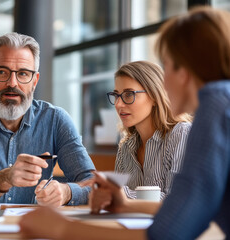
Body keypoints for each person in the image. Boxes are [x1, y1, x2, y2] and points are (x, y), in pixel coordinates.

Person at [19, 6, 229, 239]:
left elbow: (171, 231)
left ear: (185, 70)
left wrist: (62, 228)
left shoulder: (217, 107)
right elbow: (187, 211)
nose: (164, 82)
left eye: (166, 65)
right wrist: (126, 205)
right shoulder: (221, 104)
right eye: (116, 96)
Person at [0, 32, 96, 207]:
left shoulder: (56, 120)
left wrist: (66, 192)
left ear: (35, 81)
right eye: (2, 72)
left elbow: (92, 182)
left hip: (33, 228)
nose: (12, 83)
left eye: (23, 74)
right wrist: (5, 178)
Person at [107, 61, 191, 200]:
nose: (118, 104)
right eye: (116, 95)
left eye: (129, 94)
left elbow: (177, 200)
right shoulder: (125, 148)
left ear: (154, 96)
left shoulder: (181, 135)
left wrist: (123, 195)